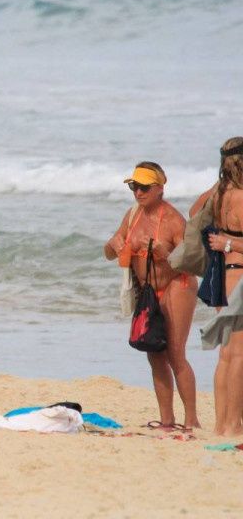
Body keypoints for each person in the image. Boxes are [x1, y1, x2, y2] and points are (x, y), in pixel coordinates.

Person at [104, 162, 197, 429]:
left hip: (177, 285)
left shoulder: (173, 220)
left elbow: (193, 263)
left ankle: (192, 420)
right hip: (148, 291)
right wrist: (113, 245)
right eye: (134, 186)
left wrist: (166, 254)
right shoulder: (132, 216)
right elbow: (109, 253)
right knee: (154, 351)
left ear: (159, 188)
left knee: (175, 353)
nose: (138, 192)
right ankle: (167, 419)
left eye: (144, 187)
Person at [190, 138, 243, 437]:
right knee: (239, 355)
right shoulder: (241, 196)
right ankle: (234, 424)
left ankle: (223, 423)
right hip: (239, 276)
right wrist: (229, 242)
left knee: (227, 354)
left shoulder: (221, 192)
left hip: (224, 276)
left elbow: (194, 211)